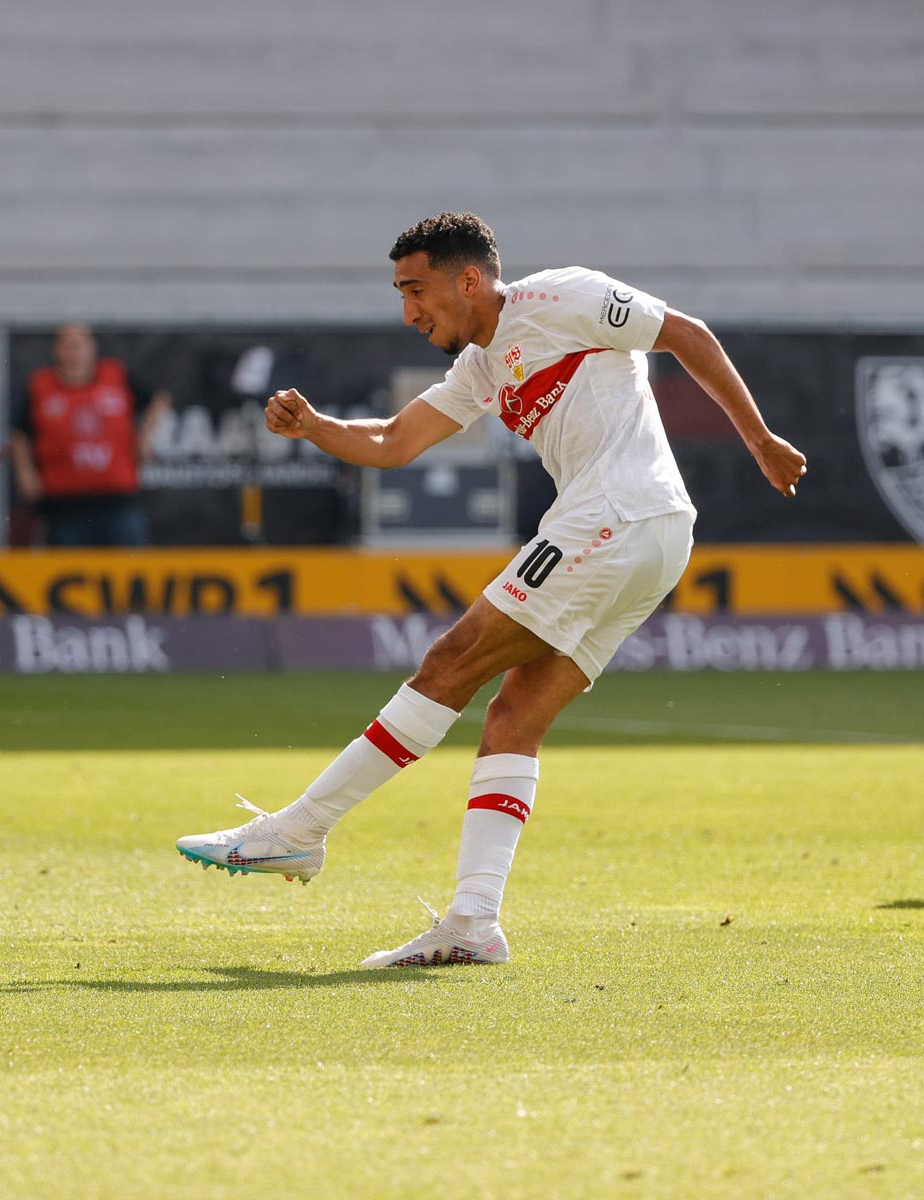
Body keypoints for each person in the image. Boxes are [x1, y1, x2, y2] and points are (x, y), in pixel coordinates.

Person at [176, 212, 806, 968]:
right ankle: (473, 923)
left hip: (616, 517)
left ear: (468, 278)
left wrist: (760, 439)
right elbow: (393, 442)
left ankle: (298, 831)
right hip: (652, 535)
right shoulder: (480, 367)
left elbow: (686, 333)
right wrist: (315, 426)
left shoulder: (562, 297)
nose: (409, 312)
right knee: (512, 713)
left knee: (450, 662)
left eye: (417, 291)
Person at [9, 322, 171, 546]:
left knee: (130, 572)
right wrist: (25, 472)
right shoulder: (40, 386)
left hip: (117, 502)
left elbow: (159, 399)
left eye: (79, 344)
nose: (73, 351)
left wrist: (145, 438)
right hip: (65, 507)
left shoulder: (116, 377)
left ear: (92, 348)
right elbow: (20, 433)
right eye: (67, 344)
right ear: (55, 350)